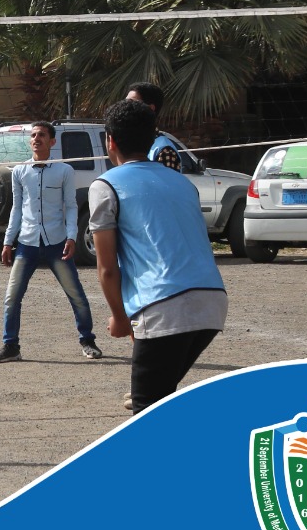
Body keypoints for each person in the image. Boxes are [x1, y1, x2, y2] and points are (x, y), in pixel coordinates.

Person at [90, 99, 227, 414]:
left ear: (109, 141)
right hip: (211, 302)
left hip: (165, 306)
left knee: (146, 412)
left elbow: (107, 268)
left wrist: (119, 317)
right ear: (153, 139)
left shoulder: (106, 185)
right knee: (162, 400)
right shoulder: (183, 182)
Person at [0, 122, 101, 363]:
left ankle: (88, 340)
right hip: (27, 243)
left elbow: (72, 206)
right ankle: (11, 346)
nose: (36, 139)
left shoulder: (64, 170)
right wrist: (8, 241)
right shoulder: (20, 171)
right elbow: (17, 209)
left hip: (57, 242)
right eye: (33, 135)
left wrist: (72, 236)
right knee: (12, 297)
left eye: (41, 135)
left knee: (76, 294)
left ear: (52, 142)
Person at [125, 82, 183, 172]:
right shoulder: (128, 141)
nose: (125, 107)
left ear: (150, 108)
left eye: (132, 103)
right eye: (125, 102)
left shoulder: (165, 150)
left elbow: (168, 184)